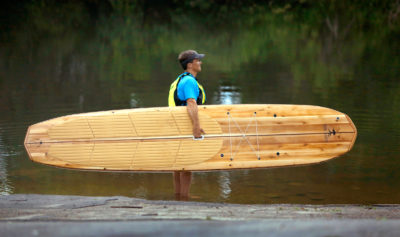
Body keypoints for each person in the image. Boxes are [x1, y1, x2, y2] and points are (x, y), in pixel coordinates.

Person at [168, 50, 206, 200]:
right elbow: (191, 103)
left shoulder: (178, 80)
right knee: (187, 165)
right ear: (190, 64)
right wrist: (196, 126)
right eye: (198, 60)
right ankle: (185, 197)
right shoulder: (189, 81)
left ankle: (178, 196)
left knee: (178, 165)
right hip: (185, 125)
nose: (200, 62)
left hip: (176, 125)